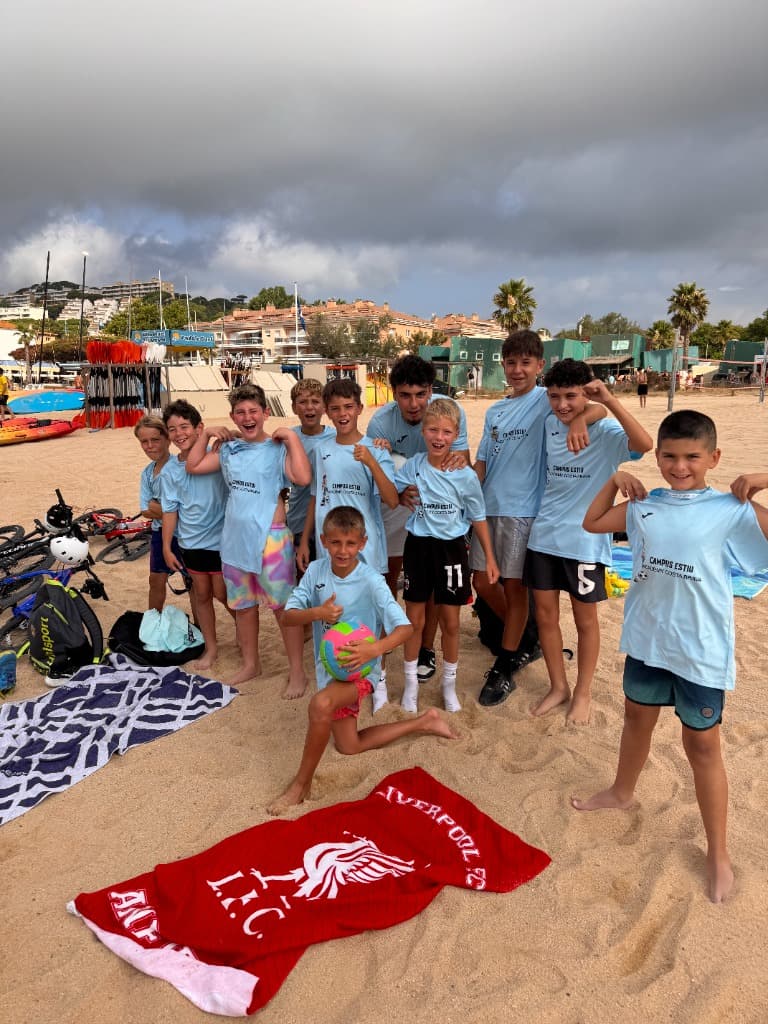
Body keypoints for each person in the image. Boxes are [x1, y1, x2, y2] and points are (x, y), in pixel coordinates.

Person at [572, 411, 768, 903]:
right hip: (648, 639)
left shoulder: (730, 509)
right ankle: (622, 792)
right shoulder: (645, 506)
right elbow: (591, 522)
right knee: (636, 719)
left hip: (700, 650)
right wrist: (614, 479)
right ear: (657, 457)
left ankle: (717, 851)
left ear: (714, 458)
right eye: (670, 456)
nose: (680, 466)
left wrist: (764, 480)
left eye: (692, 457)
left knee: (702, 746)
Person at [267, 506, 456, 814]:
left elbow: (406, 628)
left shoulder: (371, 580)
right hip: (331, 670)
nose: (343, 551)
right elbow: (288, 617)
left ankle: (301, 785)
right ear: (324, 541)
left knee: (320, 705)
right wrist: (317, 613)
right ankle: (425, 721)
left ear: (363, 543)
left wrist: (374, 650)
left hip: (361, 671)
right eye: (336, 543)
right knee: (349, 745)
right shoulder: (315, 571)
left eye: (350, 543)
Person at [472, 332, 605, 707]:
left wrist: (580, 421)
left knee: (515, 588)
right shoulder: (495, 411)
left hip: (524, 510)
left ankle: (506, 662)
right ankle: (525, 636)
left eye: (525, 363)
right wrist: (464, 492)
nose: (517, 370)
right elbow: (483, 461)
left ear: (539, 366)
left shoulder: (547, 400)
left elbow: (598, 409)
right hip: (488, 508)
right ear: (503, 365)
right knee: (482, 582)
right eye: (511, 362)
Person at [523, 359, 653, 724]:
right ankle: (558, 686)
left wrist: (606, 402)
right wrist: (579, 416)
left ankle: (583, 692)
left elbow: (644, 444)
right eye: (555, 396)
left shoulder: (606, 432)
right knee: (545, 616)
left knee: (585, 621)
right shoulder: (550, 423)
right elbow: (566, 414)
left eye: (571, 396)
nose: (562, 404)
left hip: (584, 540)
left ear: (586, 394)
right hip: (544, 535)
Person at [185, 384, 311, 693]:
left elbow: (303, 477)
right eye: (240, 412)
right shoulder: (229, 449)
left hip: (271, 539)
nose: (247, 417)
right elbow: (194, 465)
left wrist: (292, 438)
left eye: (253, 411)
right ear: (232, 417)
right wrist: (206, 434)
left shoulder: (277, 448)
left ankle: (297, 671)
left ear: (266, 413)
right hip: (235, 540)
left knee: (283, 608)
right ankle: (251, 664)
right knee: (243, 606)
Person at [367, 354, 470, 684]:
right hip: (397, 498)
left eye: (421, 394)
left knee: (434, 584)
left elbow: (461, 463)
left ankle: (426, 647)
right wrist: (397, 489)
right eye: (405, 395)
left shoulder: (449, 412)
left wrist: (451, 466)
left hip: (434, 506)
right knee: (388, 573)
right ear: (393, 393)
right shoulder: (380, 422)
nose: (414, 404)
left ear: (431, 390)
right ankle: (385, 642)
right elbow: (378, 477)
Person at [298, 377, 398, 711]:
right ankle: (340, 671)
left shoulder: (374, 448)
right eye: (336, 408)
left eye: (348, 407)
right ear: (327, 412)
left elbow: (392, 499)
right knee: (335, 610)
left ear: (359, 408)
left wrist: (371, 461)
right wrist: (305, 540)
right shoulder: (322, 449)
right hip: (330, 546)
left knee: (372, 613)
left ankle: (379, 678)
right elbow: (316, 495)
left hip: (365, 547)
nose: (342, 413)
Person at [395, 399, 499, 713]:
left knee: (451, 622)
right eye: (433, 430)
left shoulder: (464, 474)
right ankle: (411, 685)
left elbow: (478, 517)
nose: (439, 437)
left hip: (451, 550)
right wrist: (399, 493)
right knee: (414, 619)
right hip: (418, 547)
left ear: (456, 435)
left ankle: (449, 686)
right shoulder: (413, 466)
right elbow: (391, 491)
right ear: (423, 431)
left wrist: (490, 558)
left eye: (446, 432)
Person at [161, 399, 230, 672]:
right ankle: (211, 647)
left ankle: (244, 634)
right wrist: (167, 546)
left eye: (184, 427)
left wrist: (218, 434)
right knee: (201, 595)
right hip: (190, 542)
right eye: (172, 429)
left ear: (199, 428)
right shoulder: (170, 470)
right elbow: (170, 510)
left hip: (222, 541)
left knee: (224, 593)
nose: (179, 434)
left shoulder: (217, 456)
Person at [134, 415, 189, 612]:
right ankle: (153, 622)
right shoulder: (147, 473)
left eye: (155, 440)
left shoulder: (182, 467)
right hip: (160, 533)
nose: (150, 446)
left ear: (167, 439)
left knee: (193, 584)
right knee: (156, 580)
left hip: (186, 534)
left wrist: (159, 507)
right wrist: (172, 510)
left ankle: (201, 625)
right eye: (144, 442)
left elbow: (187, 510)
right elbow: (145, 510)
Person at [287, 379, 335, 574]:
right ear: (294, 407)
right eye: (303, 402)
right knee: (304, 577)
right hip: (298, 520)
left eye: (315, 401)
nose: (309, 407)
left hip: (330, 521)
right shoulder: (287, 439)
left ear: (324, 407)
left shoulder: (336, 437)